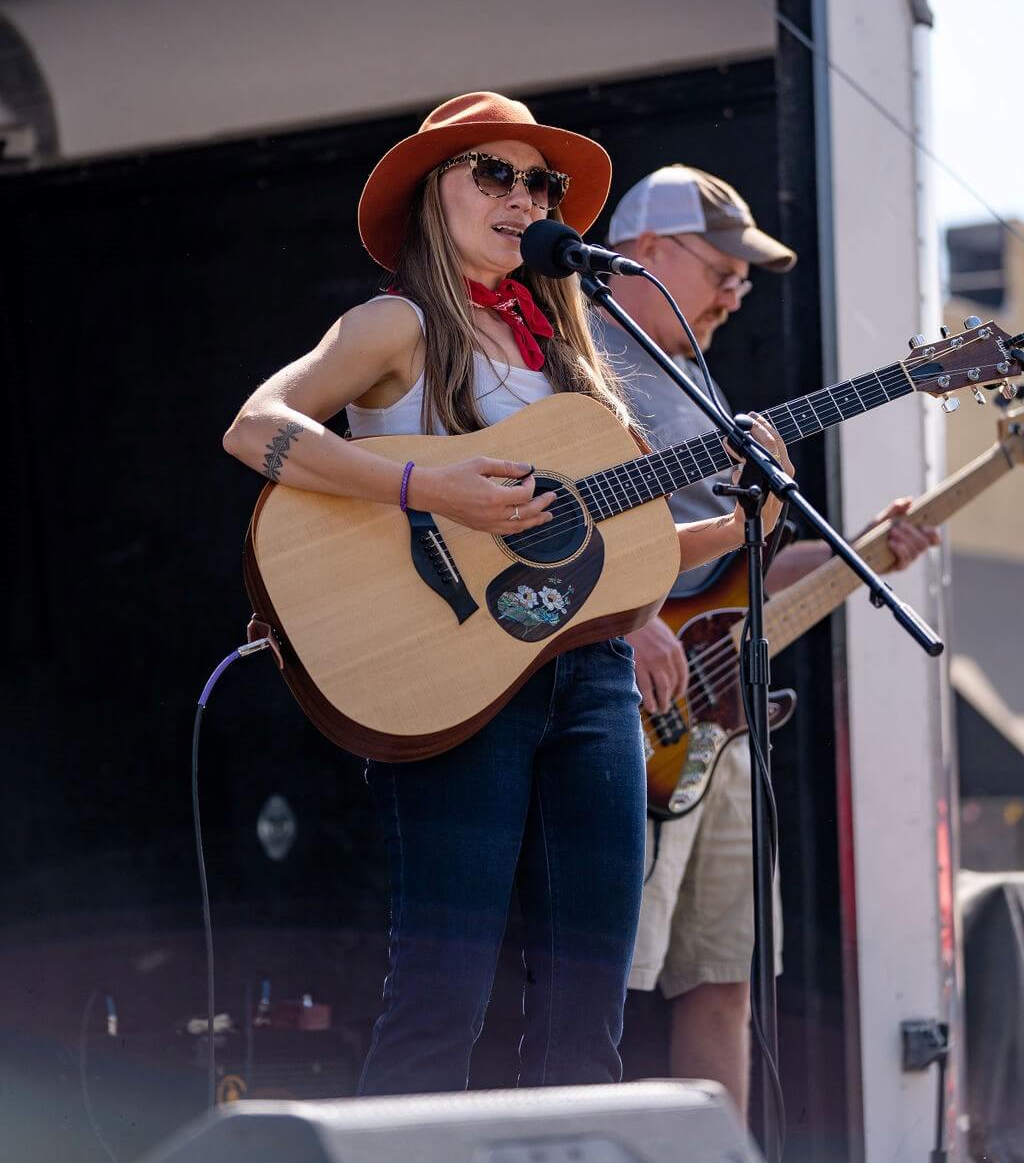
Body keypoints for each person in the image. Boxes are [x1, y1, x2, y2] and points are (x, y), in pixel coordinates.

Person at [221, 94, 794, 1097]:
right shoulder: (393, 321)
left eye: (541, 182)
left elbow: (622, 552)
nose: (523, 196)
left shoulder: (571, 345)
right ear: (427, 196)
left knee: (588, 1014)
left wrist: (754, 516)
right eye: (492, 173)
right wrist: (424, 485)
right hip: (453, 679)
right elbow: (252, 427)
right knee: (442, 996)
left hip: (593, 679)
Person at [598, 164, 939, 1118]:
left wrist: (864, 553)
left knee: (723, 977)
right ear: (651, 251)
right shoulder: (580, 361)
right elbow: (551, 542)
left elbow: (734, 584)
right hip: (615, 713)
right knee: (609, 984)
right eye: (722, 270)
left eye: (745, 279)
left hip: (720, 723)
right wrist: (626, 626)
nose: (736, 295)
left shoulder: (695, 382)